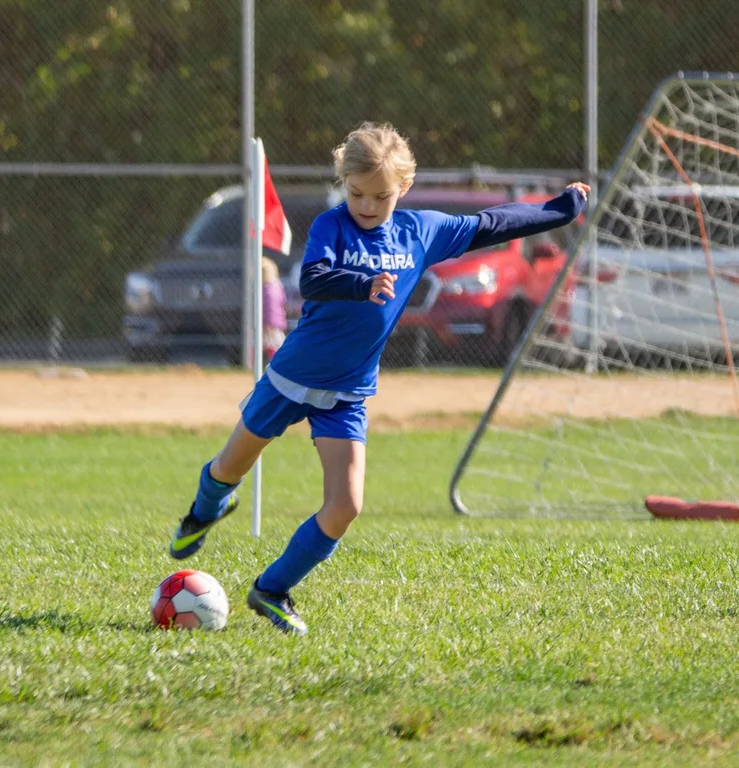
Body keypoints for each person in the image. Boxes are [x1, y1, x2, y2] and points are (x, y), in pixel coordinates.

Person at [167, 121, 588, 635]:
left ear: (403, 187)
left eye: (380, 196)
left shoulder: (421, 232)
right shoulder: (332, 226)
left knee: (346, 506)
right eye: (356, 193)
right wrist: (361, 283)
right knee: (230, 467)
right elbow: (313, 279)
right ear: (344, 184)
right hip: (292, 378)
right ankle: (205, 511)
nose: (366, 205)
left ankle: (271, 589)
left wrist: (560, 209)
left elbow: (493, 223)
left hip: (347, 392)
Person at [261, 256, 288, 362]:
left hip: (271, 325)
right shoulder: (277, 286)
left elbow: (271, 308)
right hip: (277, 323)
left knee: (273, 345)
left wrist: (269, 324)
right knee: (274, 344)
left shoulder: (269, 290)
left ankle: (277, 364)